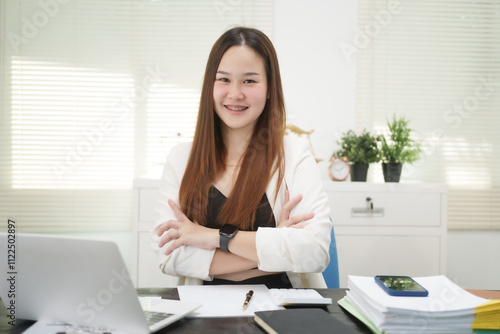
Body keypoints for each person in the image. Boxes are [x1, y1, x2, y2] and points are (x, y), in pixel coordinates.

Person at [151, 26, 332, 288]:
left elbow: (315, 252)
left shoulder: (295, 154)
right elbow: (168, 254)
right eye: (223, 79)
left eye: (249, 80)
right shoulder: (181, 158)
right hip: (202, 314)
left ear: (270, 88)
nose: (235, 94)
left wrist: (213, 238)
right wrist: (274, 244)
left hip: (283, 312)